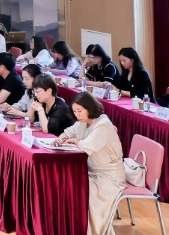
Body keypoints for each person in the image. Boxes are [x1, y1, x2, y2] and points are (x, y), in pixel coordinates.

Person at [55, 92, 125, 235]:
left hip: (109, 176)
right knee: (69, 185)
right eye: (74, 111)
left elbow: (87, 145)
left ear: (89, 108)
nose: (77, 114)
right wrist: (61, 138)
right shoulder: (83, 122)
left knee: (84, 193)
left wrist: (76, 141)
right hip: (90, 170)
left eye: (79, 111)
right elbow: (68, 132)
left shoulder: (103, 124)